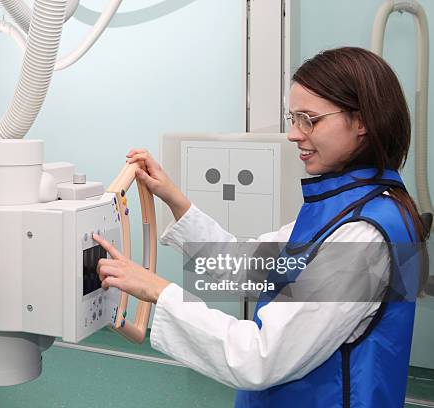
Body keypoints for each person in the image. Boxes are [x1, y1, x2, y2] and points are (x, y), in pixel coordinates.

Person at [93, 47, 429, 408]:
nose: (294, 134)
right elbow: (250, 266)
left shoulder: (364, 236)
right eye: (293, 118)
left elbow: (259, 358)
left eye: (309, 120)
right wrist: (175, 200)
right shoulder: (355, 207)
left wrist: (162, 292)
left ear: (361, 122)